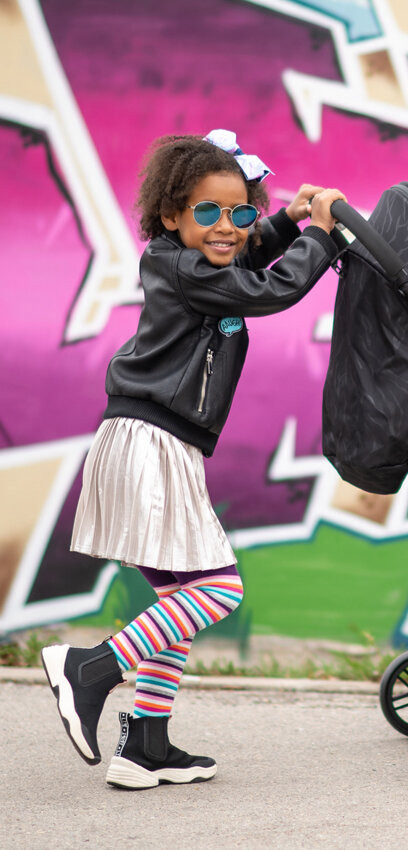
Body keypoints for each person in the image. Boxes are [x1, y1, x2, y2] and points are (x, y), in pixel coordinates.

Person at [41, 129, 345, 790]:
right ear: (172, 215)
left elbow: (242, 259)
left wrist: (285, 220)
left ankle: (145, 745)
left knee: (178, 599)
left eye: (240, 212)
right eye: (208, 211)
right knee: (219, 589)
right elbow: (266, 291)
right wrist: (320, 238)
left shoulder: (194, 261)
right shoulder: (183, 268)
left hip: (150, 438)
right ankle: (90, 669)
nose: (227, 226)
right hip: (151, 440)